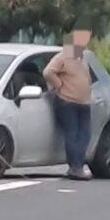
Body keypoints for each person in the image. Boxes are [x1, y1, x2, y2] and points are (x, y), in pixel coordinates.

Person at [43, 26, 93, 180]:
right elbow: (48, 72)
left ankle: (79, 165)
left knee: (84, 135)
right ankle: (75, 167)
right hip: (67, 101)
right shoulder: (63, 57)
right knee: (72, 133)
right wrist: (58, 85)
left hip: (83, 102)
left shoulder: (82, 59)